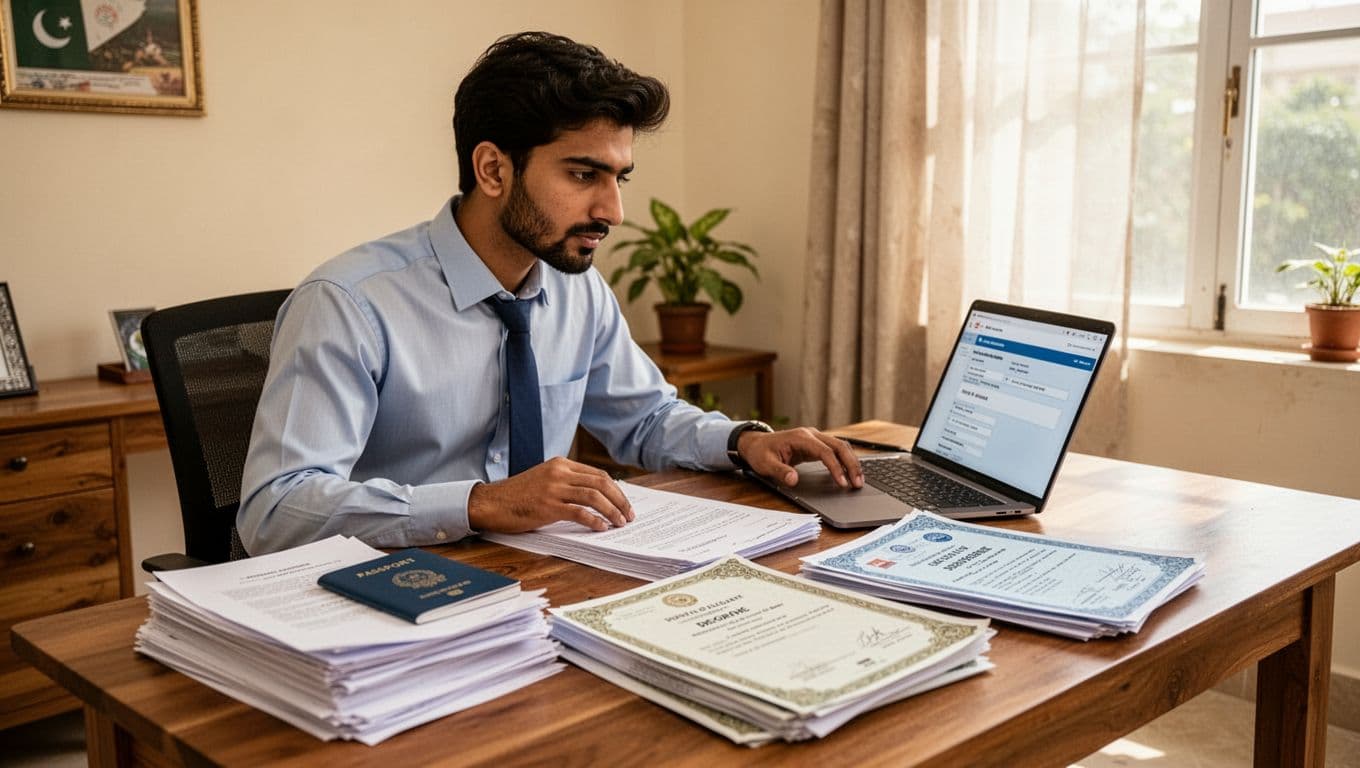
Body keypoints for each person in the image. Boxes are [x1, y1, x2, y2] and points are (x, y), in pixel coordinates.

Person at [237, 31, 862, 556]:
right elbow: (275, 511)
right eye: (583, 174)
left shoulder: (577, 290)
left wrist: (743, 441)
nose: (612, 211)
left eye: (620, 178)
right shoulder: (350, 304)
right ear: (493, 169)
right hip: (393, 601)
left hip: (538, 580)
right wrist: (482, 503)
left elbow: (644, 418)